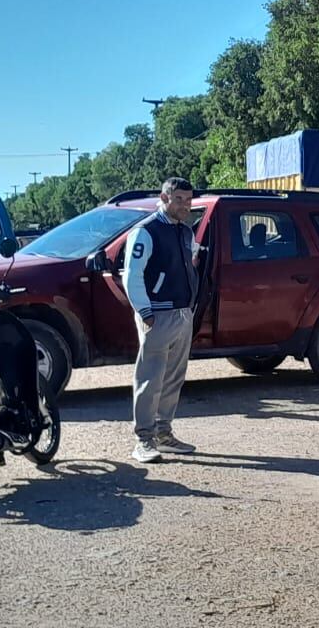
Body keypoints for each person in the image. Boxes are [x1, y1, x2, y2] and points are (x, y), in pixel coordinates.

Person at [122, 177, 200, 464]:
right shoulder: (145, 232)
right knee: (150, 378)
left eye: (188, 200)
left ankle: (164, 434)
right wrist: (145, 312)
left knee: (173, 378)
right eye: (178, 199)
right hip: (157, 315)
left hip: (182, 313)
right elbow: (132, 275)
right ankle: (144, 438)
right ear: (164, 198)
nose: (185, 205)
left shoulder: (185, 231)